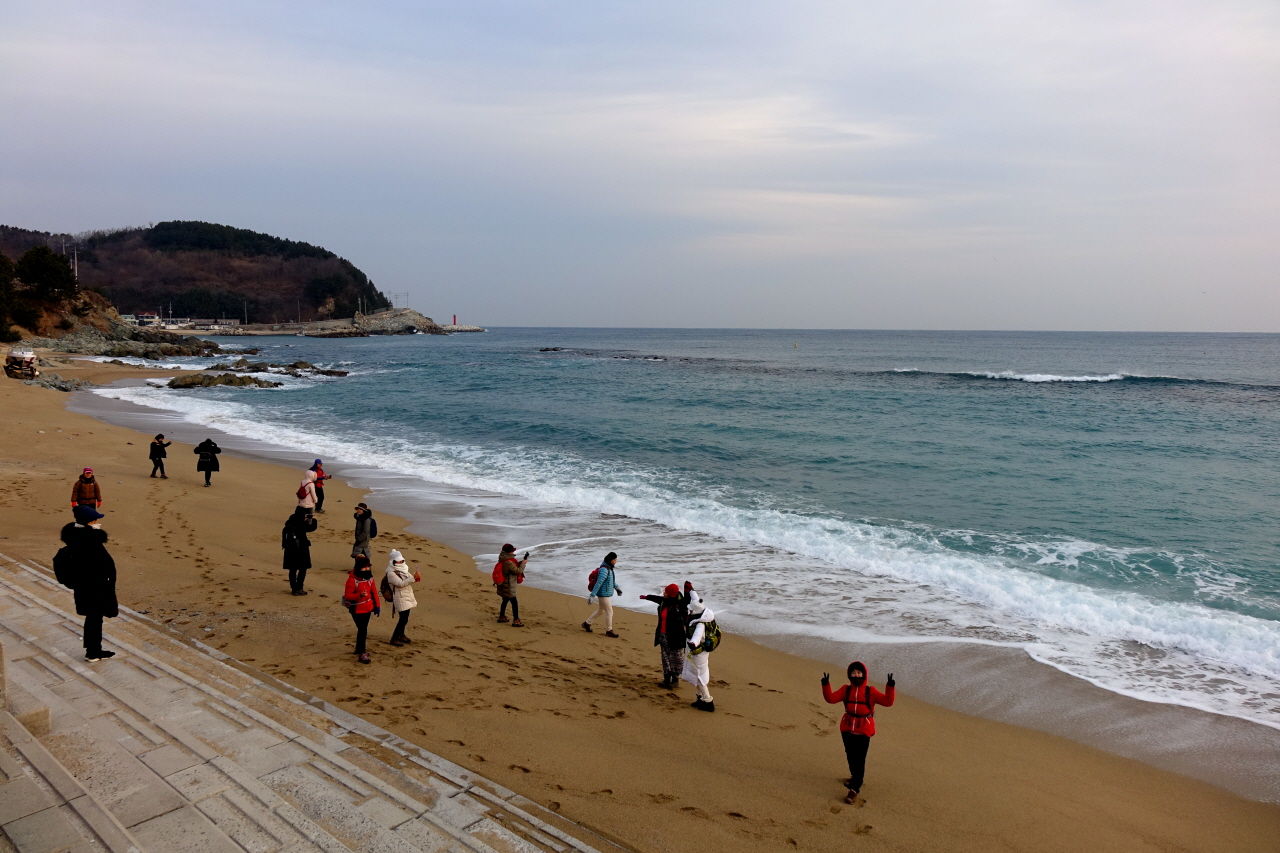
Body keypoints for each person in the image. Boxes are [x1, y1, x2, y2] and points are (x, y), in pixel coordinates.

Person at [821, 661, 896, 803]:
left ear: (864, 674)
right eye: (853, 672)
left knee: (859, 759)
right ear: (849, 675)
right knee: (850, 755)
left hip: (864, 729)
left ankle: (854, 788)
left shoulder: (871, 691)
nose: (856, 675)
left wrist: (890, 687)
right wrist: (825, 685)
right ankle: (855, 777)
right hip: (847, 728)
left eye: (859, 672)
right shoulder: (846, 690)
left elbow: (887, 702)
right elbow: (830, 699)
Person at [58, 506, 118, 661]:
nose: (97, 522)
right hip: (95, 587)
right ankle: (93, 652)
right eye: (95, 519)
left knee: (93, 618)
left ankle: (93, 650)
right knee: (95, 619)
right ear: (89, 521)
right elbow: (99, 564)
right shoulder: (90, 540)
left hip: (84, 587)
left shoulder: (76, 538)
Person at [640, 583, 689, 688]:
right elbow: (657, 599)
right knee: (665, 658)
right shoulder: (664, 601)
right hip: (663, 635)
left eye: (666, 592)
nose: (664, 593)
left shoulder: (680, 605)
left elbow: (687, 609)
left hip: (676, 637)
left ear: (671, 594)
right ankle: (666, 679)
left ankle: (675, 681)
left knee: (676, 659)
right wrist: (647, 597)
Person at [343, 555, 381, 664]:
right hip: (356, 609)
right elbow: (348, 595)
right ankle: (362, 652)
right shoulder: (352, 580)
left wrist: (377, 606)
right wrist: (359, 595)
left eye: (368, 567)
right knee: (362, 629)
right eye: (365, 567)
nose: (367, 569)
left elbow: (374, 592)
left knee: (362, 630)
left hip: (368, 608)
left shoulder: (370, 578)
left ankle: (359, 650)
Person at [683, 592, 717, 711]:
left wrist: (693, 643)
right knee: (697, 675)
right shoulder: (703, 614)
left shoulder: (700, 624)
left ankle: (708, 701)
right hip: (699, 653)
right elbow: (695, 599)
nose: (689, 612)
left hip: (698, 653)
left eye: (691, 611)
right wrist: (691, 591)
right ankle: (701, 698)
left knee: (699, 676)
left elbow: (697, 636)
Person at [384, 549, 421, 645]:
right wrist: (413, 578)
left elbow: (408, 580)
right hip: (400, 598)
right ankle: (394, 638)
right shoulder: (391, 573)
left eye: (401, 560)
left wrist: (415, 578)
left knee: (405, 618)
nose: (400, 562)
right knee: (403, 619)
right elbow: (400, 584)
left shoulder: (404, 568)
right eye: (397, 561)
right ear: (393, 561)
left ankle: (401, 635)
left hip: (406, 596)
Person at [582, 551, 622, 638]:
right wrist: (592, 595)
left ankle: (587, 623)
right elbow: (599, 583)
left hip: (606, 593)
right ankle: (609, 630)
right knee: (610, 612)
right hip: (603, 594)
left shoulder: (609, 568)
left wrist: (617, 588)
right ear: (611, 560)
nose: (616, 561)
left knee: (601, 610)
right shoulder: (604, 569)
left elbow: (611, 581)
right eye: (615, 559)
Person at [281, 507, 318, 595]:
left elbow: (284, 534)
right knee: (302, 569)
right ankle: (299, 588)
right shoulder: (301, 523)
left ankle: (294, 589)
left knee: (293, 569)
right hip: (301, 549)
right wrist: (312, 519)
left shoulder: (290, 522)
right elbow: (311, 528)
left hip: (290, 550)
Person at [493, 543, 528, 627]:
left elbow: (512, 568)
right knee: (514, 602)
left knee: (505, 600)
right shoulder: (508, 562)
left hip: (504, 585)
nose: (514, 552)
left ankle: (502, 617)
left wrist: (520, 562)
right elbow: (517, 571)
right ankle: (516, 620)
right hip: (508, 585)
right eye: (512, 551)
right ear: (509, 552)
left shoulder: (503, 558)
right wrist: (523, 564)